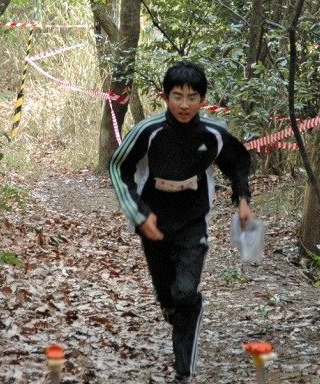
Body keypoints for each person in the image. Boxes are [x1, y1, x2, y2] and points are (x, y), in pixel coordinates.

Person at [109, 61, 254, 383]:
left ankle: (183, 371)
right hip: (154, 221)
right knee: (168, 295)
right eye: (177, 96)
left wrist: (243, 200)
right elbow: (118, 168)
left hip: (193, 219)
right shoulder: (148, 131)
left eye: (192, 97)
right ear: (165, 97)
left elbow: (238, 162)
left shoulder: (214, 132)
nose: (184, 105)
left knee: (186, 292)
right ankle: (174, 309)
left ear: (203, 99)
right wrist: (139, 214)